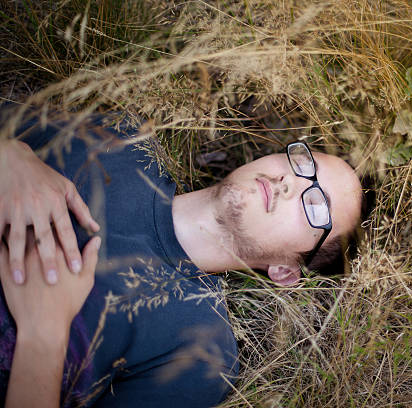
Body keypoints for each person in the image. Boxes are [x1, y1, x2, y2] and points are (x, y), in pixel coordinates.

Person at [0, 112, 363, 407]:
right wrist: (10, 154)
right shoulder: (126, 141)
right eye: (303, 164)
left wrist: (43, 333)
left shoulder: (201, 356)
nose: (291, 182)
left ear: (285, 271)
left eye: (315, 206)